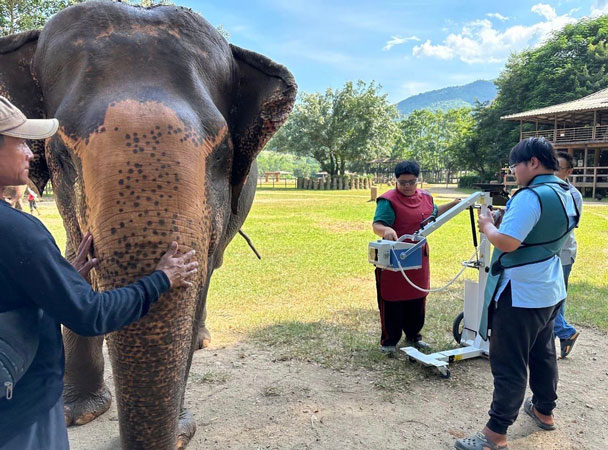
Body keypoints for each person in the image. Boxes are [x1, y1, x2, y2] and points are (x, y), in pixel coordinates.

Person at [0, 95, 198, 449]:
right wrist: (160, 279)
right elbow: (89, 316)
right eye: (19, 143)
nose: (31, 153)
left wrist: (59, 278)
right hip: (22, 411)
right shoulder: (19, 232)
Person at [455, 137, 579, 450]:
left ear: (533, 163)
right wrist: (504, 223)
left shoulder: (530, 196)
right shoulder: (570, 193)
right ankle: (543, 409)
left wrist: (486, 225)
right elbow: (543, 232)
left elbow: (507, 242)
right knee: (542, 352)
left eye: (515, 166)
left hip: (520, 292)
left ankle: (494, 435)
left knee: (508, 362)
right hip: (550, 288)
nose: (513, 173)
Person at [372, 160, 460, 355]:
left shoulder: (426, 198)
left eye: (411, 182)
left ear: (417, 181)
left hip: (419, 257)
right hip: (395, 257)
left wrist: (453, 204)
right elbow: (377, 224)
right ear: (396, 181)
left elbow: (434, 213)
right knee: (392, 299)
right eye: (402, 182)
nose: (407, 186)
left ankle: (414, 336)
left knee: (417, 296)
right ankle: (389, 340)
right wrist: (386, 229)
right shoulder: (388, 200)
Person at [554, 151, 583, 358]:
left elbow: (566, 228)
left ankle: (565, 332)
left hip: (562, 254)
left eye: (558, 168)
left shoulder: (573, 195)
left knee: (554, 299)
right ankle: (563, 334)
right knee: (556, 298)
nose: (553, 172)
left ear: (569, 172)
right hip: (550, 253)